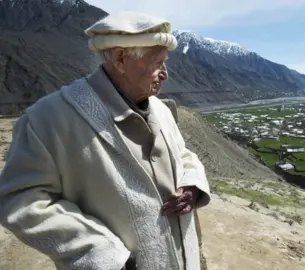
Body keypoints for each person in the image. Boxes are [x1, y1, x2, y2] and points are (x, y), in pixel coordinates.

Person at [0, 11, 210, 270]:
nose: (165, 73)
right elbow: (20, 200)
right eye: (157, 63)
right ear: (121, 58)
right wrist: (101, 254)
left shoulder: (162, 110)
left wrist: (192, 185)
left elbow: (183, 155)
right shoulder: (48, 120)